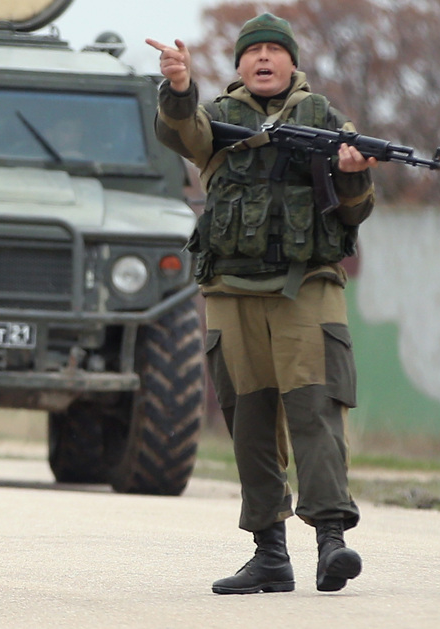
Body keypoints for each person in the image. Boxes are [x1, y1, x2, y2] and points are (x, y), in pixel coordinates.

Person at [148, 13, 376, 594]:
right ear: (240, 65)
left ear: (293, 63)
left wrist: (353, 178)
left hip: (306, 288)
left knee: (315, 411)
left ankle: (331, 542)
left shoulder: (325, 119)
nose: (265, 58)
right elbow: (182, 132)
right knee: (248, 421)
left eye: (276, 50)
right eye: (254, 52)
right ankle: (269, 553)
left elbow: (353, 213)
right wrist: (178, 87)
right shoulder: (218, 117)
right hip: (230, 290)